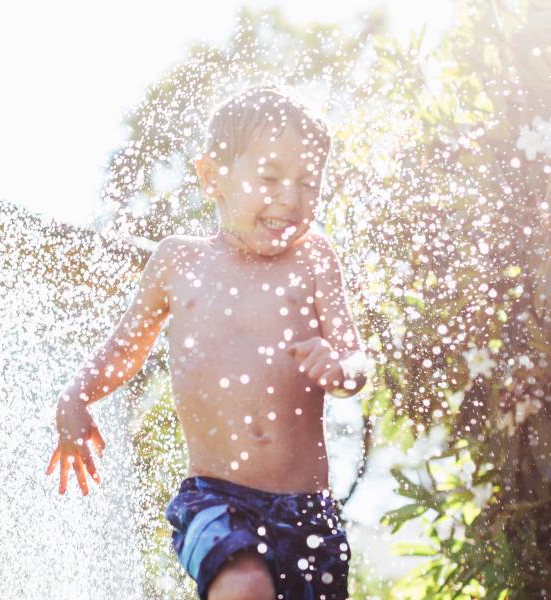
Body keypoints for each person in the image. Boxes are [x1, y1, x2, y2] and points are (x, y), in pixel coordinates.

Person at [46, 86, 368, 600]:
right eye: (269, 177)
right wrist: (77, 393)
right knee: (243, 586)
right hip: (217, 499)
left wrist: (342, 369)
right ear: (212, 176)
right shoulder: (180, 262)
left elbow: (356, 358)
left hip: (310, 510)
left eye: (308, 183)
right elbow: (126, 349)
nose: (290, 196)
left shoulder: (313, 259)